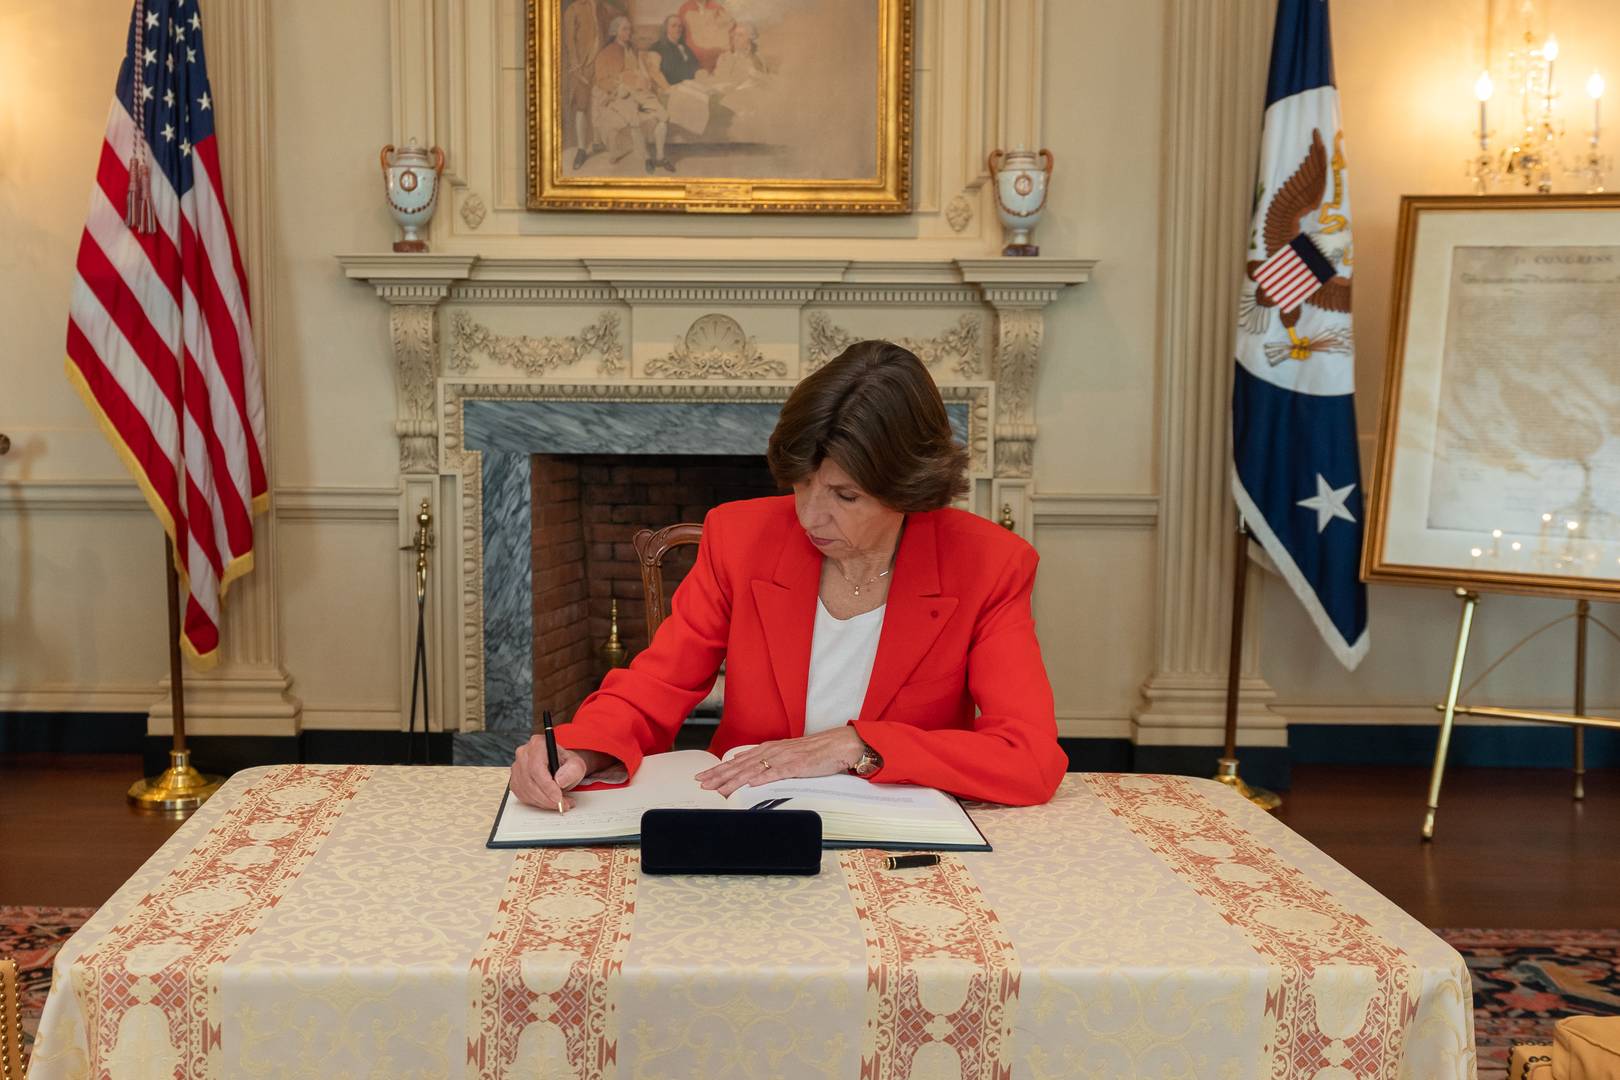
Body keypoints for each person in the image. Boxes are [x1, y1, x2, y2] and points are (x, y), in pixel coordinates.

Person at [510, 340, 1067, 811]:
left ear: (909, 489)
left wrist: (857, 746)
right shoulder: (739, 537)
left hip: (900, 833)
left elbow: (1030, 758)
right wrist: (580, 749)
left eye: (845, 495)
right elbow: (656, 686)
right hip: (750, 820)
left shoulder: (989, 564)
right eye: (802, 484)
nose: (810, 517)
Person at [592, 16, 673, 174]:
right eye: (625, 29)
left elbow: (644, 71)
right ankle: (646, 158)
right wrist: (619, 87)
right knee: (634, 119)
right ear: (615, 32)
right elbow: (601, 80)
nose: (629, 32)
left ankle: (660, 157)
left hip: (641, 92)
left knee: (663, 116)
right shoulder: (605, 53)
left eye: (630, 29)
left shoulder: (634, 50)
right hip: (621, 95)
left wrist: (647, 81)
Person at [562, 0, 602, 171]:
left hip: (599, 63)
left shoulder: (599, 6)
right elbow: (570, 42)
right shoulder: (573, 9)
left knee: (599, 101)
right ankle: (581, 150)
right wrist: (576, 66)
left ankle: (598, 142)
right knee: (581, 106)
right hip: (582, 66)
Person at [650, 15, 701, 87]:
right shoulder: (657, 48)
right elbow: (656, 74)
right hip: (672, 87)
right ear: (666, 28)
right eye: (673, 26)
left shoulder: (685, 47)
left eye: (680, 26)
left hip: (691, 84)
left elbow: (696, 65)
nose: (678, 29)